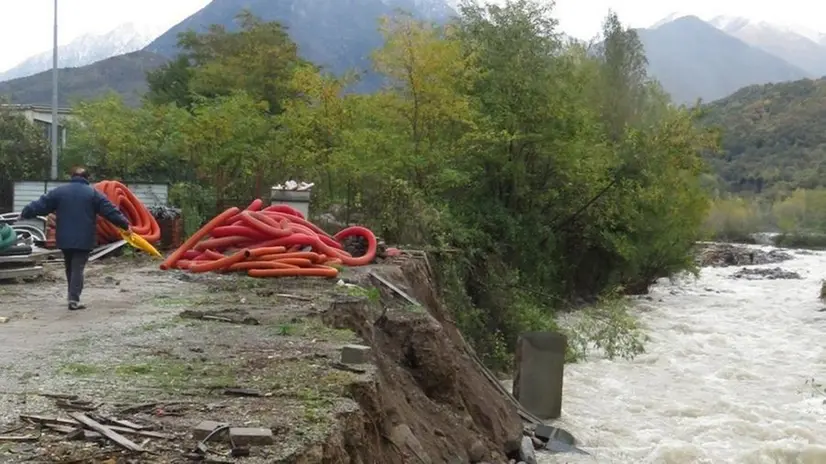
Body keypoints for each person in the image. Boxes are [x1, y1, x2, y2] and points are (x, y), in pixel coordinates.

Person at [20, 167, 130, 310]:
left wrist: (25, 213)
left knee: (69, 266)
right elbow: (109, 211)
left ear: (72, 176)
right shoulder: (93, 193)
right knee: (78, 267)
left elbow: (41, 204)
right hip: (84, 238)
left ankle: (71, 296)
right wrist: (125, 224)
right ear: (87, 178)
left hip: (64, 238)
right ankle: (73, 299)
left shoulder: (59, 192)